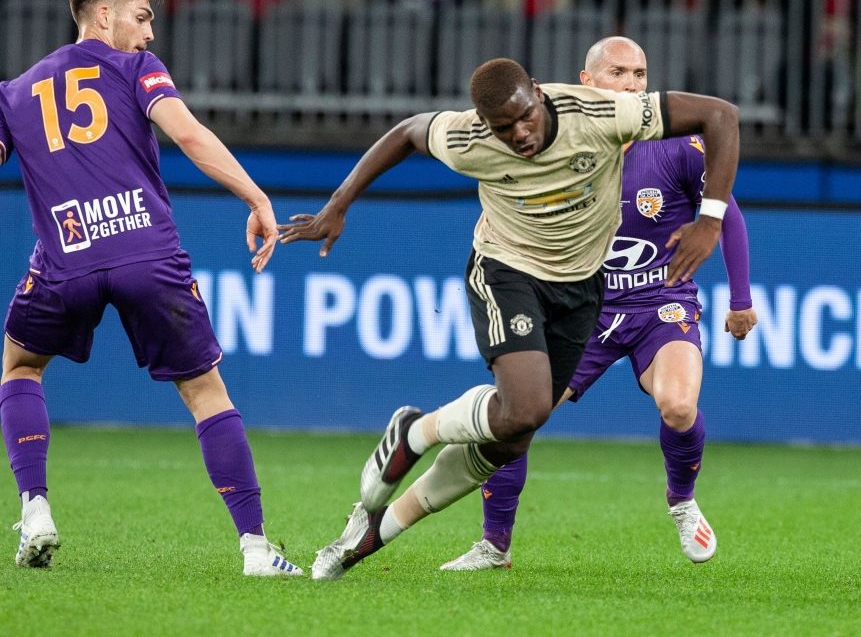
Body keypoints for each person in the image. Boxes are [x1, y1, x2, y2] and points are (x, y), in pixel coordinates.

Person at [279, 54, 741, 581]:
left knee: (512, 436)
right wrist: (338, 204)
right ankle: (418, 431)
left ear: (539, 94)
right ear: (483, 126)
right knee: (522, 408)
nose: (520, 133)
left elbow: (721, 116)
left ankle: (372, 533)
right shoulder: (466, 139)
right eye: (503, 128)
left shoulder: (601, 113)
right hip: (507, 271)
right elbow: (408, 132)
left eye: (526, 116)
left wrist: (709, 222)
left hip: (582, 286)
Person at [0, 0, 300, 576]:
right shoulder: (137, 69)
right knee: (206, 392)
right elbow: (188, 136)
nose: (150, 35)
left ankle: (35, 509)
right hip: (148, 254)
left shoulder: (13, 92)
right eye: (142, 18)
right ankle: (255, 549)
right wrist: (257, 197)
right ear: (103, 15)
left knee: (21, 366)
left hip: (66, 261)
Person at [440, 36, 756, 571]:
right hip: (582, 306)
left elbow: (727, 214)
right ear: (587, 82)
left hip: (660, 299)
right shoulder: (558, 145)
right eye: (619, 73)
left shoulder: (676, 145)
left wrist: (741, 298)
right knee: (516, 420)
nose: (632, 84)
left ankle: (681, 499)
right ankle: (494, 545)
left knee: (679, 406)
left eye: (640, 73)